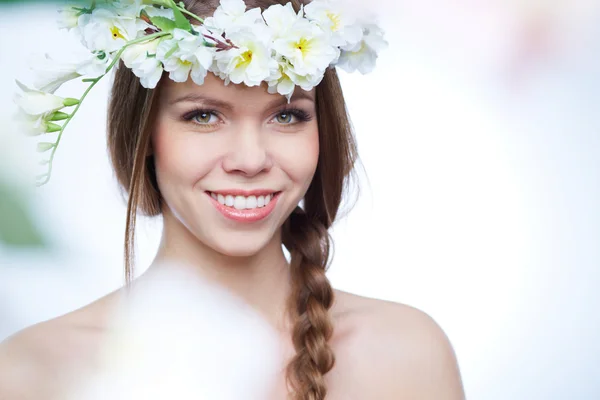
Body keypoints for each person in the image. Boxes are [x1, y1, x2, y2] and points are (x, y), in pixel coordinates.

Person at [0, 0, 465, 399]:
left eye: (286, 115)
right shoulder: (35, 371)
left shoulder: (407, 354)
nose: (250, 159)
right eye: (203, 116)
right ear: (143, 135)